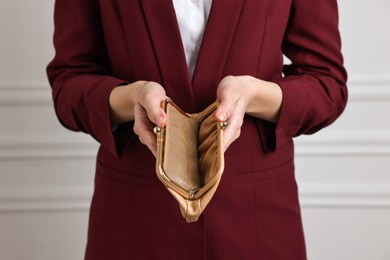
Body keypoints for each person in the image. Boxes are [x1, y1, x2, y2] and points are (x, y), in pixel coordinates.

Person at [47, 0, 347, 259]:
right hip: (136, 221)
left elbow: (326, 85)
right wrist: (130, 98)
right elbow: (69, 83)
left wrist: (252, 95)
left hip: (255, 222)